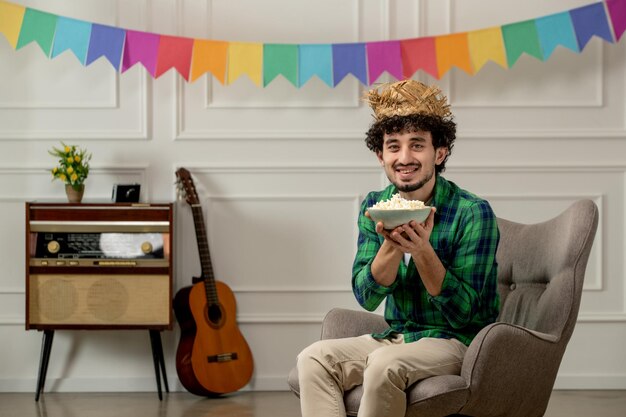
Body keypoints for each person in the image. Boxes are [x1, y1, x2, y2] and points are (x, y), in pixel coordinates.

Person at [296, 80, 500, 417]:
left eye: (417, 145)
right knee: (313, 359)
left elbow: (464, 313)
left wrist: (422, 251)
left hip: (457, 342)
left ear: (440, 152)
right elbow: (367, 295)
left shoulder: (472, 212)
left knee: (383, 364)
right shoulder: (376, 206)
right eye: (393, 147)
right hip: (400, 336)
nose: (404, 158)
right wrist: (391, 246)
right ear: (381, 156)